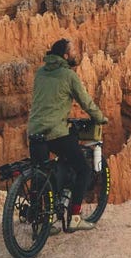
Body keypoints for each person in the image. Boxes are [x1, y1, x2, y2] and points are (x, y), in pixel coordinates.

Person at [27, 38, 107, 231]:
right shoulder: (68, 75)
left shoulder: (40, 73)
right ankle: (74, 217)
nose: (75, 54)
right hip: (56, 133)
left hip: (34, 131)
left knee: (42, 175)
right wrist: (100, 117)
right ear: (64, 56)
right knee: (83, 169)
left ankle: (45, 220)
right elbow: (85, 101)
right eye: (72, 51)